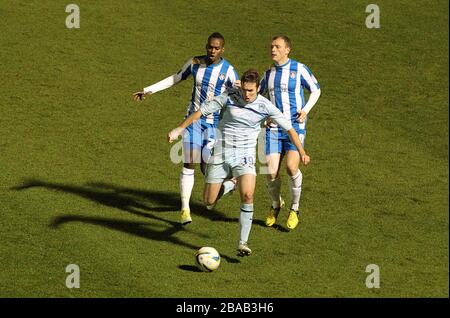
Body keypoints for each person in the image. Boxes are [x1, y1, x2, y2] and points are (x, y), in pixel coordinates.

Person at [168, 69, 310, 256]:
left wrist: (302, 152)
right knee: (209, 203)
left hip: (245, 156)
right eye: (244, 89)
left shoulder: (265, 106)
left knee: (248, 195)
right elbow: (200, 111)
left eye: (251, 91)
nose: (247, 94)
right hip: (220, 154)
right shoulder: (229, 96)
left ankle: (243, 243)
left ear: (259, 88)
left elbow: (290, 129)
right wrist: (179, 129)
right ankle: (230, 185)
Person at [133, 32, 238, 225]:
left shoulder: (229, 71)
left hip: (214, 124)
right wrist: (149, 90)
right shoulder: (195, 63)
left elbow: (238, 97)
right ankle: (185, 209)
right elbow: (176, 77)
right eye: (210, 47)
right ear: (206, 46)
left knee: (207, 167)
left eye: (216, 48)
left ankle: (230, 184)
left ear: (222, 49)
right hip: (193, 121)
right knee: (189, 161)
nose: (212, 51)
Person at [259, 35, 321, 230]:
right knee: (270, 171)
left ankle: (295, 209)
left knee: (291, 167)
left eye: (277, 47)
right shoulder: (268, 73)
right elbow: (257, 96)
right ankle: (276, 205)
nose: (273, 50)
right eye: (271, 47)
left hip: (295, 126)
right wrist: (264, 118)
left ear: (287, 50)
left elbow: (316, 89)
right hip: (274, 128)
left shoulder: (299, 69)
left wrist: (306, 110)